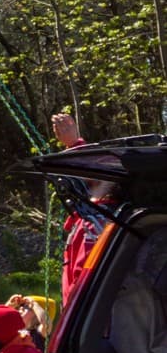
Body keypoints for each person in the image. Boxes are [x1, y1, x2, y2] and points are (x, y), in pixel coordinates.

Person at [51, 110, 118, 304]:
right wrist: (73, 144)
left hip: (87, 313)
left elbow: (82, 282)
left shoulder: (93, 224)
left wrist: (72, 317)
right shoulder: (123, 217)